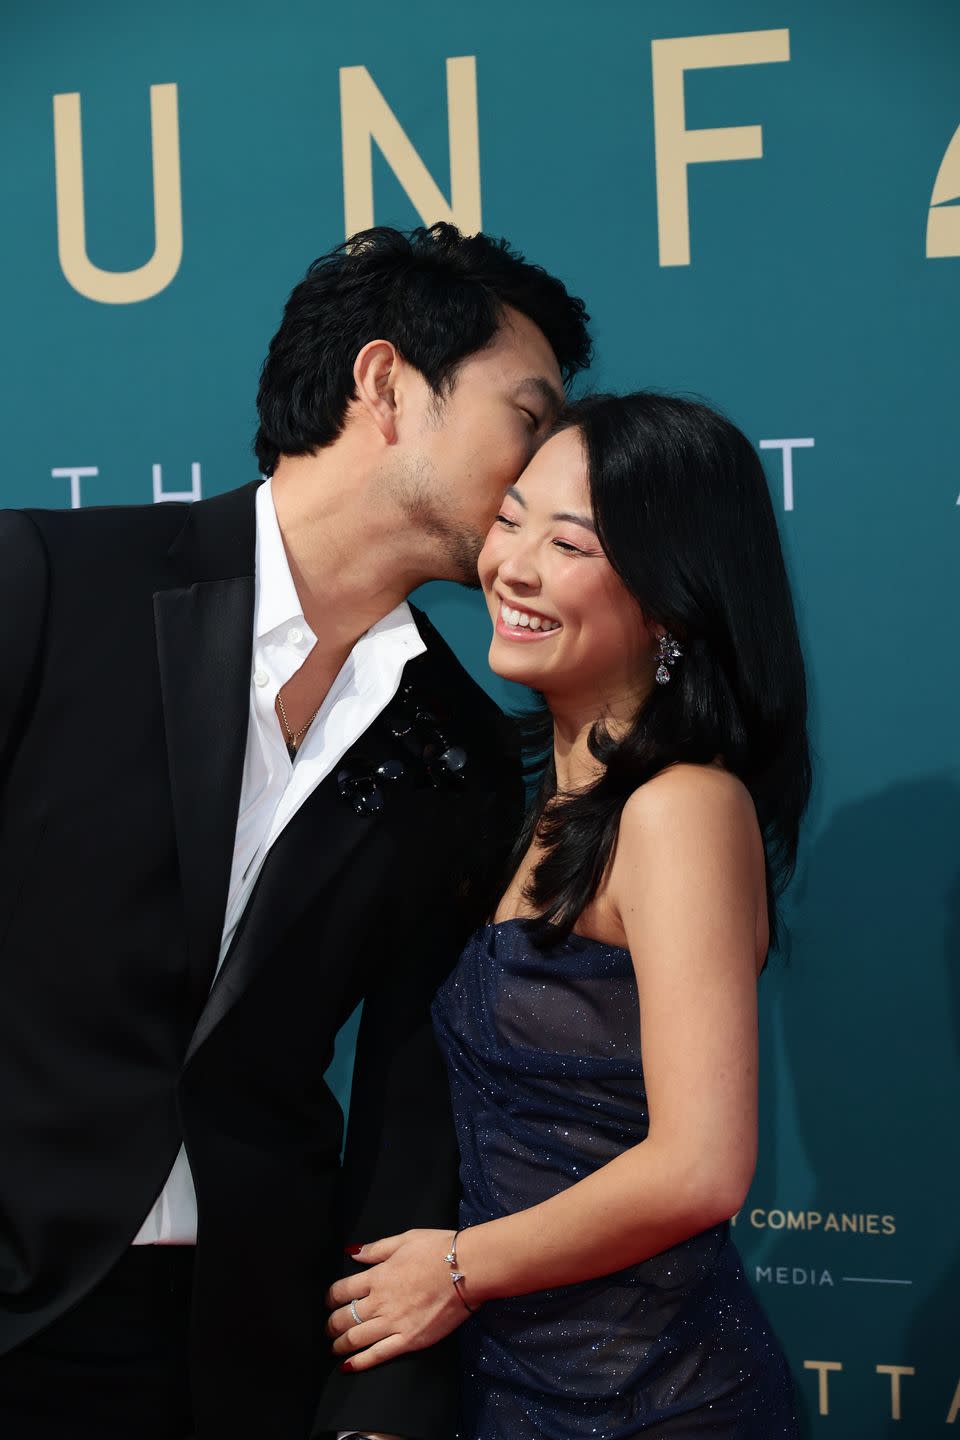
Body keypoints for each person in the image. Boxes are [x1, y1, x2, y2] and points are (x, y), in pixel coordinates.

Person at [0, 223, 590, 1440]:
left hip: (236, 1349)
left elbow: (414, 1106)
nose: (545, 478)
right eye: (526, 418)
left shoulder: (466, 751)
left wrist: (378, 1395)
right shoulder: (47, 581)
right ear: (385, 385)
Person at [326, 391, 812, 1437]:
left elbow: (701, 1166)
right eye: (510, 521)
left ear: (673, 600)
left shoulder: (682, 808)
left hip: (660, 1403)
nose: (515, 567)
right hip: (509, 1389)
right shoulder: (524, 801)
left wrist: (454, 1270)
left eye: (571, 541)